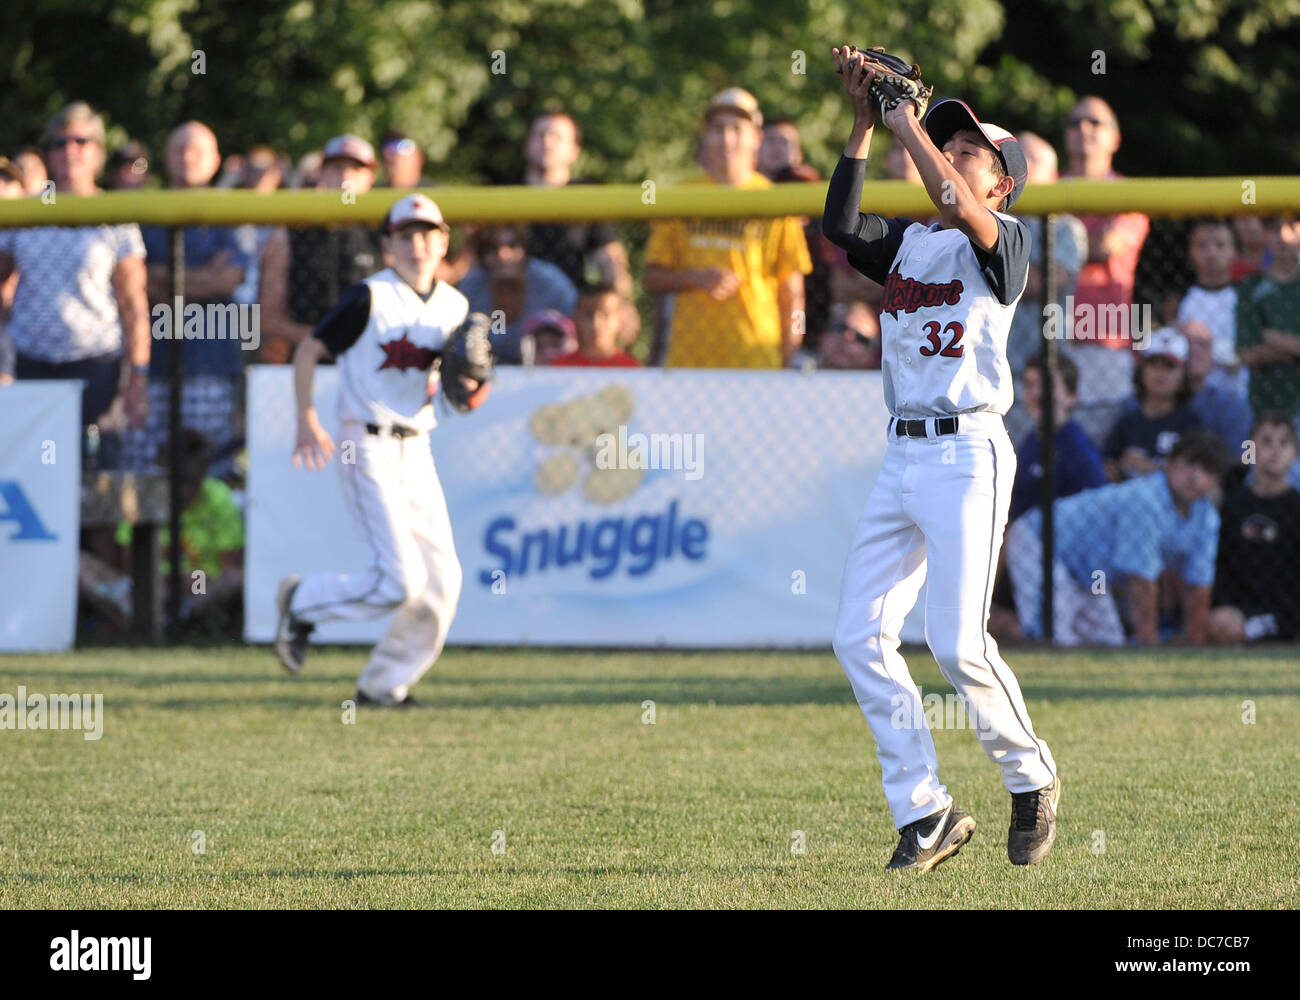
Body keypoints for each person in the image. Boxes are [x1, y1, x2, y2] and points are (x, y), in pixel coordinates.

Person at [822, 46, 1058, 873]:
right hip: (902, 456)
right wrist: (862, 127)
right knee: (859, 633)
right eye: (944, 144)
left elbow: (951, 198)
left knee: (956, 643)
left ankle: (1030, 777)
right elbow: (842, 227)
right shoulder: (914, 244)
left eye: (971, 153)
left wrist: (908, 125)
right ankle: (924, 813)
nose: (951, 156)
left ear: (1001, 183)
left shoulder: (1006, 245)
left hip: (968, 453)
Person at [274, 194, 488, 706]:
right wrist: (305, 418)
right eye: (405, 234)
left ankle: (383, 685)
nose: (418, 243)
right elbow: (309, 350)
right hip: (364, 442)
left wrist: (478, 383)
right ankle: (301, 601)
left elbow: (467, 392)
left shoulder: (456, 306)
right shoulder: (369, 297)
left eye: (428, 233)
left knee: (442, 582)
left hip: (418, 447)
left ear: (443, 241)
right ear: (387, 244)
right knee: (400, 580)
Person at [0, 103, 150, 466]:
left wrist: (139, 376)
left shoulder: (116, 215)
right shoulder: (24, 212)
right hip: (31, 365)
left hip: (96, 365)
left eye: (81, 141)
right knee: (37, 475)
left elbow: (134, 302)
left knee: (98, 482)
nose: (70, 150)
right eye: (59, 142)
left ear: (97, 151)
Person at [1007, 430, 1225, 648]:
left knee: (1111, 646)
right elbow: (1141, 581)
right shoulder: (1146, 499)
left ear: (1215, 480)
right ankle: (994, 633)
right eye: (1188, 464)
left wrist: (1194, 642)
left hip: (1090, 575)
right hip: (1040, 541)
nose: (1194, 476)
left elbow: (1199, 586)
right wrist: (1151, 650)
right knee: (1052, 639)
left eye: (1206, 470)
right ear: (1169, 463)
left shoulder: (1206, 517)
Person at [645, 88, 812, 368]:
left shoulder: (775, 201)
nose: (726, 138)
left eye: (737, 128)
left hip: (757, 356)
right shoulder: (680, 196)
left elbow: (793, 292)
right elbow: (652, 276)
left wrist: (789, 356)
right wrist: (694, 278)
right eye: (717, 128)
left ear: (756, 138)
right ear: (705, 137)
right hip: (690, 358)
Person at [124, 121, 250, 476]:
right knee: (145, 475)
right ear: (166, 158)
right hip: (153, 368)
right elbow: (138, 281)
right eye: (180, 148)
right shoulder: (145, 209)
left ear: (215, 161)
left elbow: (228, 279)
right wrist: (202, 276)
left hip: (210, 363)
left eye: (197, 149)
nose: (187, 157)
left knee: (209, 475)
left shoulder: (232, 211)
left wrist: (165, 275)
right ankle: (149, 536)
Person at [1060, 97, 1150, 442]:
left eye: (1095, 122)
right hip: (1052, 337)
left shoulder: (1129, 193)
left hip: (1106, 339)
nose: (1083, 128)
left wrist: (1061, 246)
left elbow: (1104, 247)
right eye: (1075, 122)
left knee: (1102, 447)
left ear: (1115, 138)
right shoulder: (1047, 185)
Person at [259, 135, 382, 363]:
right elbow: (268, 316)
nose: (345, 176)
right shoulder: (292, 233)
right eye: (337, 168)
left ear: (370, 177)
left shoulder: (385, 236)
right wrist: (322, 341)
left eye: (355, 168)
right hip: (308, 366)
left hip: (373, 364)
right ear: (322, 173)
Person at [521, 111, 638, 346]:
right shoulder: (505, 194)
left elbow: (610, 258)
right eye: (540, 134)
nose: (547, 141)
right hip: (513, 314)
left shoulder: (587, 196)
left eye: (557, 136)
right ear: (527, 144)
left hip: (572, 317)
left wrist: (623, 303)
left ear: (574, 151)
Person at [1209, 413, 1300, 643]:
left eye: (1284, 442)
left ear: (1295, 453)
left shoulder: (1296, 507)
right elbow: (1221, 566)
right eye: (1266, 441)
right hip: (1243, 611)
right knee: (1221, 623)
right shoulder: (1232, 506)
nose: (1275, 450)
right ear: (1250, 449)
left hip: (1291, 610)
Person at [1004, 132, 1087, 378]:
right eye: (1019, 156)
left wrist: (989, 269)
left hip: (1044, 365)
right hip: (992, 362)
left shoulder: (1066, 227)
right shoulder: (993, 218)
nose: (1023, 163)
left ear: (1053, 175)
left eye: (1032, 158)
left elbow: (1047, 280)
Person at [456, 224, 577, 363]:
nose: (503, 254)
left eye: (512, 245)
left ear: (524, 249)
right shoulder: (472, 288)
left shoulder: (550, 283)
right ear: (483, 254)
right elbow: (464, 339)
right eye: (493, 247)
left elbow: (574, 330)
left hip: (546, 371)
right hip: (488, 369)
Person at [1008, 352, 1106, 523]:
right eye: (1030, 385)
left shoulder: (1078, 449)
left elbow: (1095, 510)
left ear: (1071, 397)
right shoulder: (1031, 441)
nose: (1037, 393)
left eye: (1047, 384)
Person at [1103, 327, 1203, 481]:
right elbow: (1107, 467)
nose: (1160, 373)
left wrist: (1149, 467)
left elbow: (1196, 475)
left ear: (1183, 375)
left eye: (1169, 366)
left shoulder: (1191, 425)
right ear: (1141, 370)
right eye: (1153, 364)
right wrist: (1119, 466)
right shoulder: (1127, 423)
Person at [1236, 214, 1300, 420]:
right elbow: (1246, 354)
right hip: (1263, 398)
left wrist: (1276, 341)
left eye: (1292, 227)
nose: (1283, 236)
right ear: (1264, 234)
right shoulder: (1250, 287)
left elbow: (1259, 345)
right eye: (1274, 229)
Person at [1176, 218, 1245, 396]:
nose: (1211, 253)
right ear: (1191, 252)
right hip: (1191, 393)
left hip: (1238, 390)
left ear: (1235, 252)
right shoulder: (1179, 298)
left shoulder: (1246, 296)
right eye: (1202, 246)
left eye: (1220, 245)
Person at [1183, 319, 1252, 459]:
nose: (1194, 351)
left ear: (1212, 355)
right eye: (1187, 343)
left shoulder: (1232, 405)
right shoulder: (1148, 402)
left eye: (1203, 345)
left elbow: (1246, 459)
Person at [551, 283, 641, 367]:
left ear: (619, 319)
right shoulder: (561, 368)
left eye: (605, 314)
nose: (596, 322)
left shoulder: (630, 369)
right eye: (588, 314)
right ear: (575, 317)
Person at [816, 299, 881, 370]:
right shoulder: (802, 369)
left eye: (859, 337)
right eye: (840, 329)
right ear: (822, 336)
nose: (847, 337)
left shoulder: (886, 380)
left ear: (872, 357)